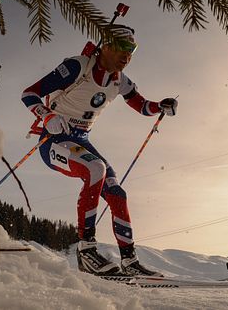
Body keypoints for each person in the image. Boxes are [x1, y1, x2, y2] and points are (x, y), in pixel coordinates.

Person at [21, 24, 177, 276]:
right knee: (96, 168)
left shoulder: (120, 80)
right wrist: (47, 115)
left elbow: (141, 105)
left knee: (117, 193)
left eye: (132, 50)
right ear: (105, 45)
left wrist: (160, 106)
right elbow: (29, 93)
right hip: (53, 139)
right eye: (122, 48)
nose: (127, 56)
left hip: (81, 140)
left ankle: (129, 261)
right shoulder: (78, 66)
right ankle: (86, 251)